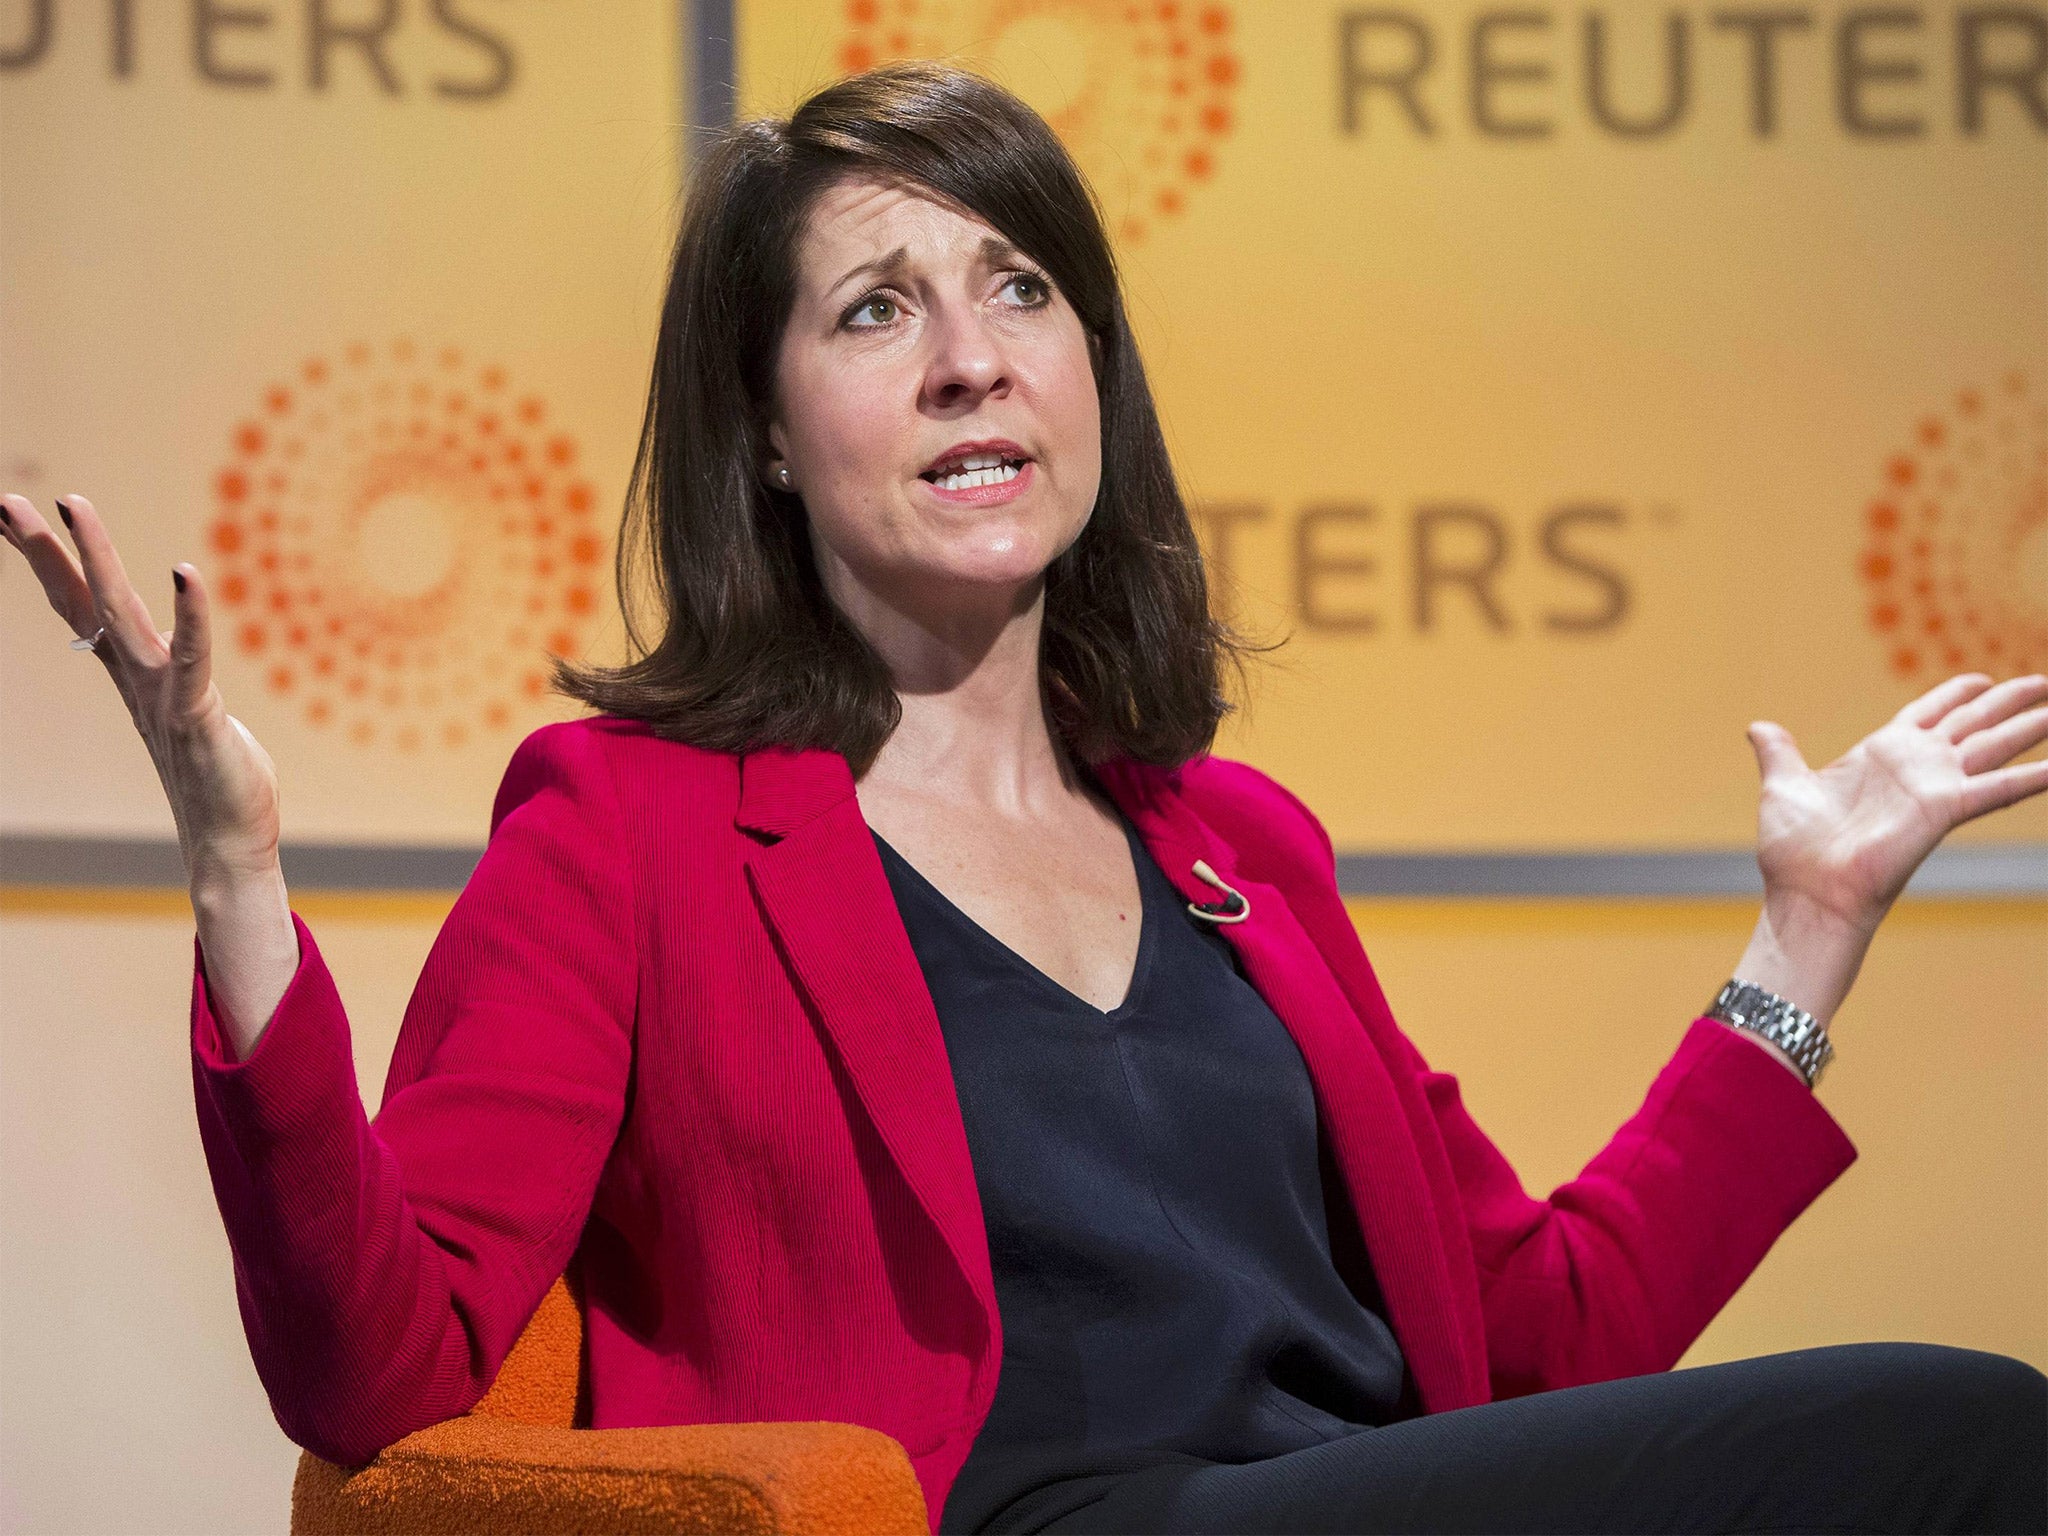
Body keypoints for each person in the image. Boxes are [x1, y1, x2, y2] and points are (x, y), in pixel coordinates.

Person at [4, 60, 2043, 1536]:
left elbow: (1539, 1356)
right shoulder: (627, 824)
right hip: (1038, 1522)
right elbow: (389, 1373)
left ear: (1090, 369)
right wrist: (243, 886)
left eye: (1020, 290)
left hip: (1352, 1503)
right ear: (775, 443)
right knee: (1965, 1444)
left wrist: (1811, 931)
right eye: (877, 310)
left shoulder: (1240, 850)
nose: (971, 360)